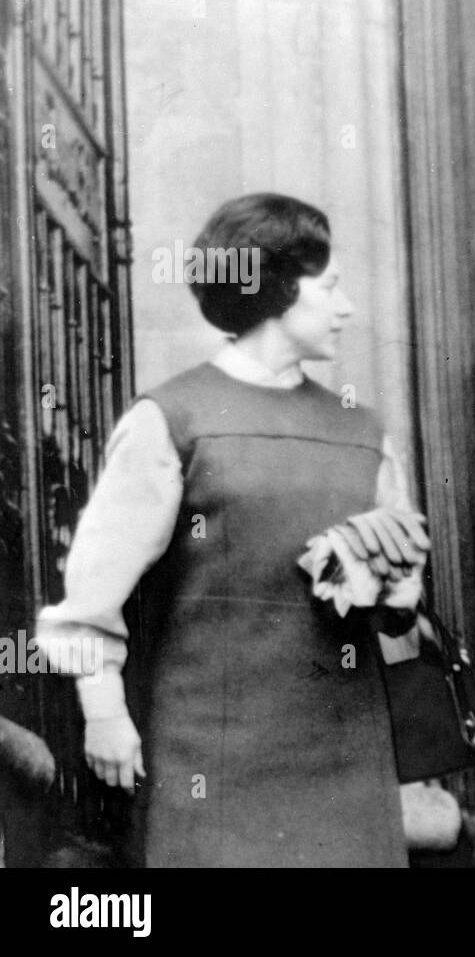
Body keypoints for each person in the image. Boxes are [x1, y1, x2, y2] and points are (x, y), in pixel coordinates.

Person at [35, 193, 438, 866]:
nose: (345, 308)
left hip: (346, 752)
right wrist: (104, 711)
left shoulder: (363, 431)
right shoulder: (173, 418)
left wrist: (394, 595)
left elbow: (400, 616)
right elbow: (92, 593)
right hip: (210, 755)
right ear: (274, 289)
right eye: (330, 288)